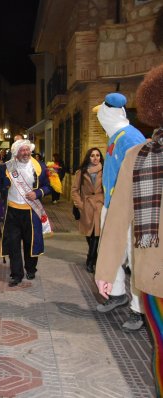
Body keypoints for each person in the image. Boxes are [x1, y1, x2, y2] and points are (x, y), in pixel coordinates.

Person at [95, 64, 163, 396]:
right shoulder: (138, 149)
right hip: (156, 274)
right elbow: (122, 210)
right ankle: (132, 301)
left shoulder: (130, 138)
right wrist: (106, 271)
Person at [94, 92, 146, 331]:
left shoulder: (131, 137)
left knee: (135, 259)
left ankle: (139, 308)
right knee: (111, 253)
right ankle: (117, 293)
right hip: (112, 205)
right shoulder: (116, 135)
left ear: (108, 114)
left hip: (129, 207)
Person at [0, 140, 52, 287]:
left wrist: (37, 193)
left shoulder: (40, 167)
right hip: (12, 211)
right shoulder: (5, 168)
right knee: (13, 244)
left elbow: (48, 187)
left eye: (27, 150)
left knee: (31, 243)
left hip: (31, 212)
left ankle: (30, 269)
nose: (25, 153)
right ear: (16, 153)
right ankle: (16, 274)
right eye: (22, 150)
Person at [71, 148, 104, 273]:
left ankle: (90, 261)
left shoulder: (105, 170)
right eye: (92, 156)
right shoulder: (82, 171)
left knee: (96, 234)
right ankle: (94, 257)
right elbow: (74, 190)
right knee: (89, 234)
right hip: (87, 205)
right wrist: (80, 204)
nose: (95, 158)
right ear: (88, 157)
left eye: (97, 155)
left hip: (100, 205)